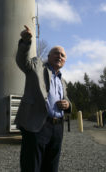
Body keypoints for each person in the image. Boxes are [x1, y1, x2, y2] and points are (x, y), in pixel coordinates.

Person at [15, 25, 71, 172]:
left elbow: (66, 99)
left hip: (57, 128)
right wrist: (26, 42)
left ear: (65, 61)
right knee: (31, 166)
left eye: (63, 55)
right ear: (49, 56)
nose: (59, 56)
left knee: (52, 167)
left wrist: (67, 104)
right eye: (56, 53)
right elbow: (23, 61)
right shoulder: (37, 66)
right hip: (37, 125)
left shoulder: (62, 81)